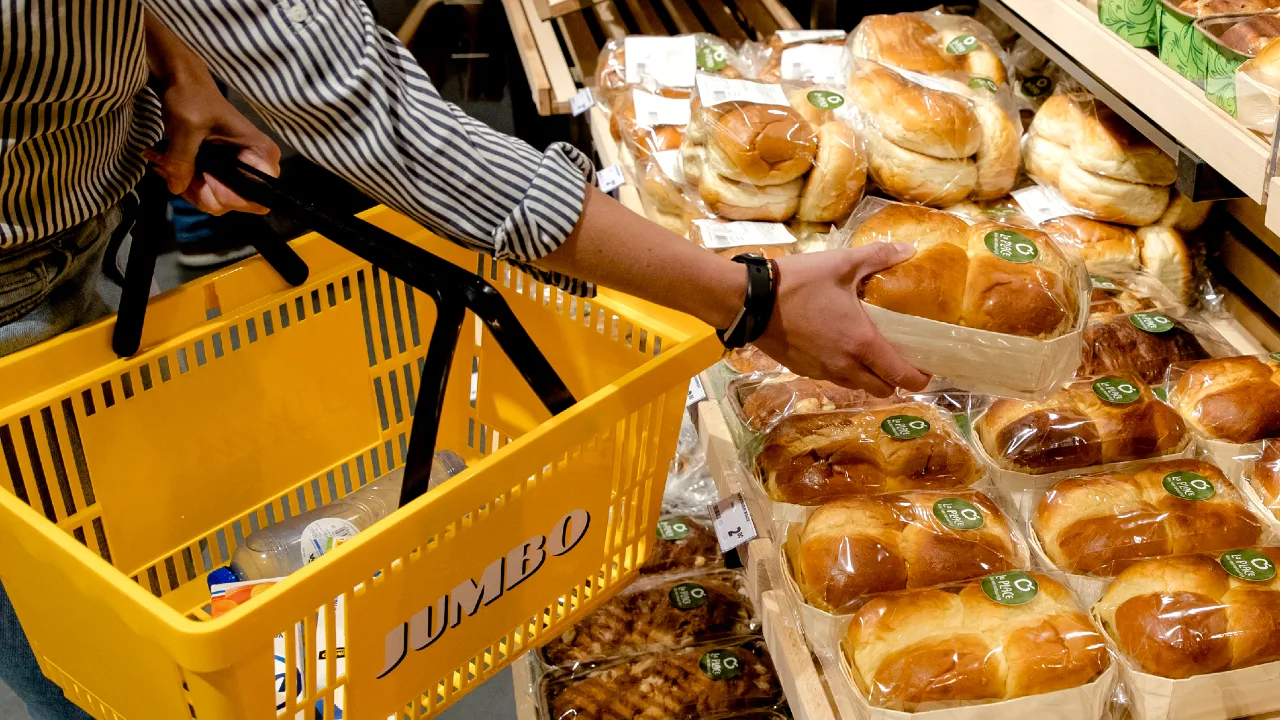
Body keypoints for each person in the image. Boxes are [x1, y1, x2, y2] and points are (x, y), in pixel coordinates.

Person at [1, 1, 927, 716]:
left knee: (100, 553)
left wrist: (165, 53)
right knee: (77, 631)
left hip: (81, 214)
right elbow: (375, 114)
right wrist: (746, 295)